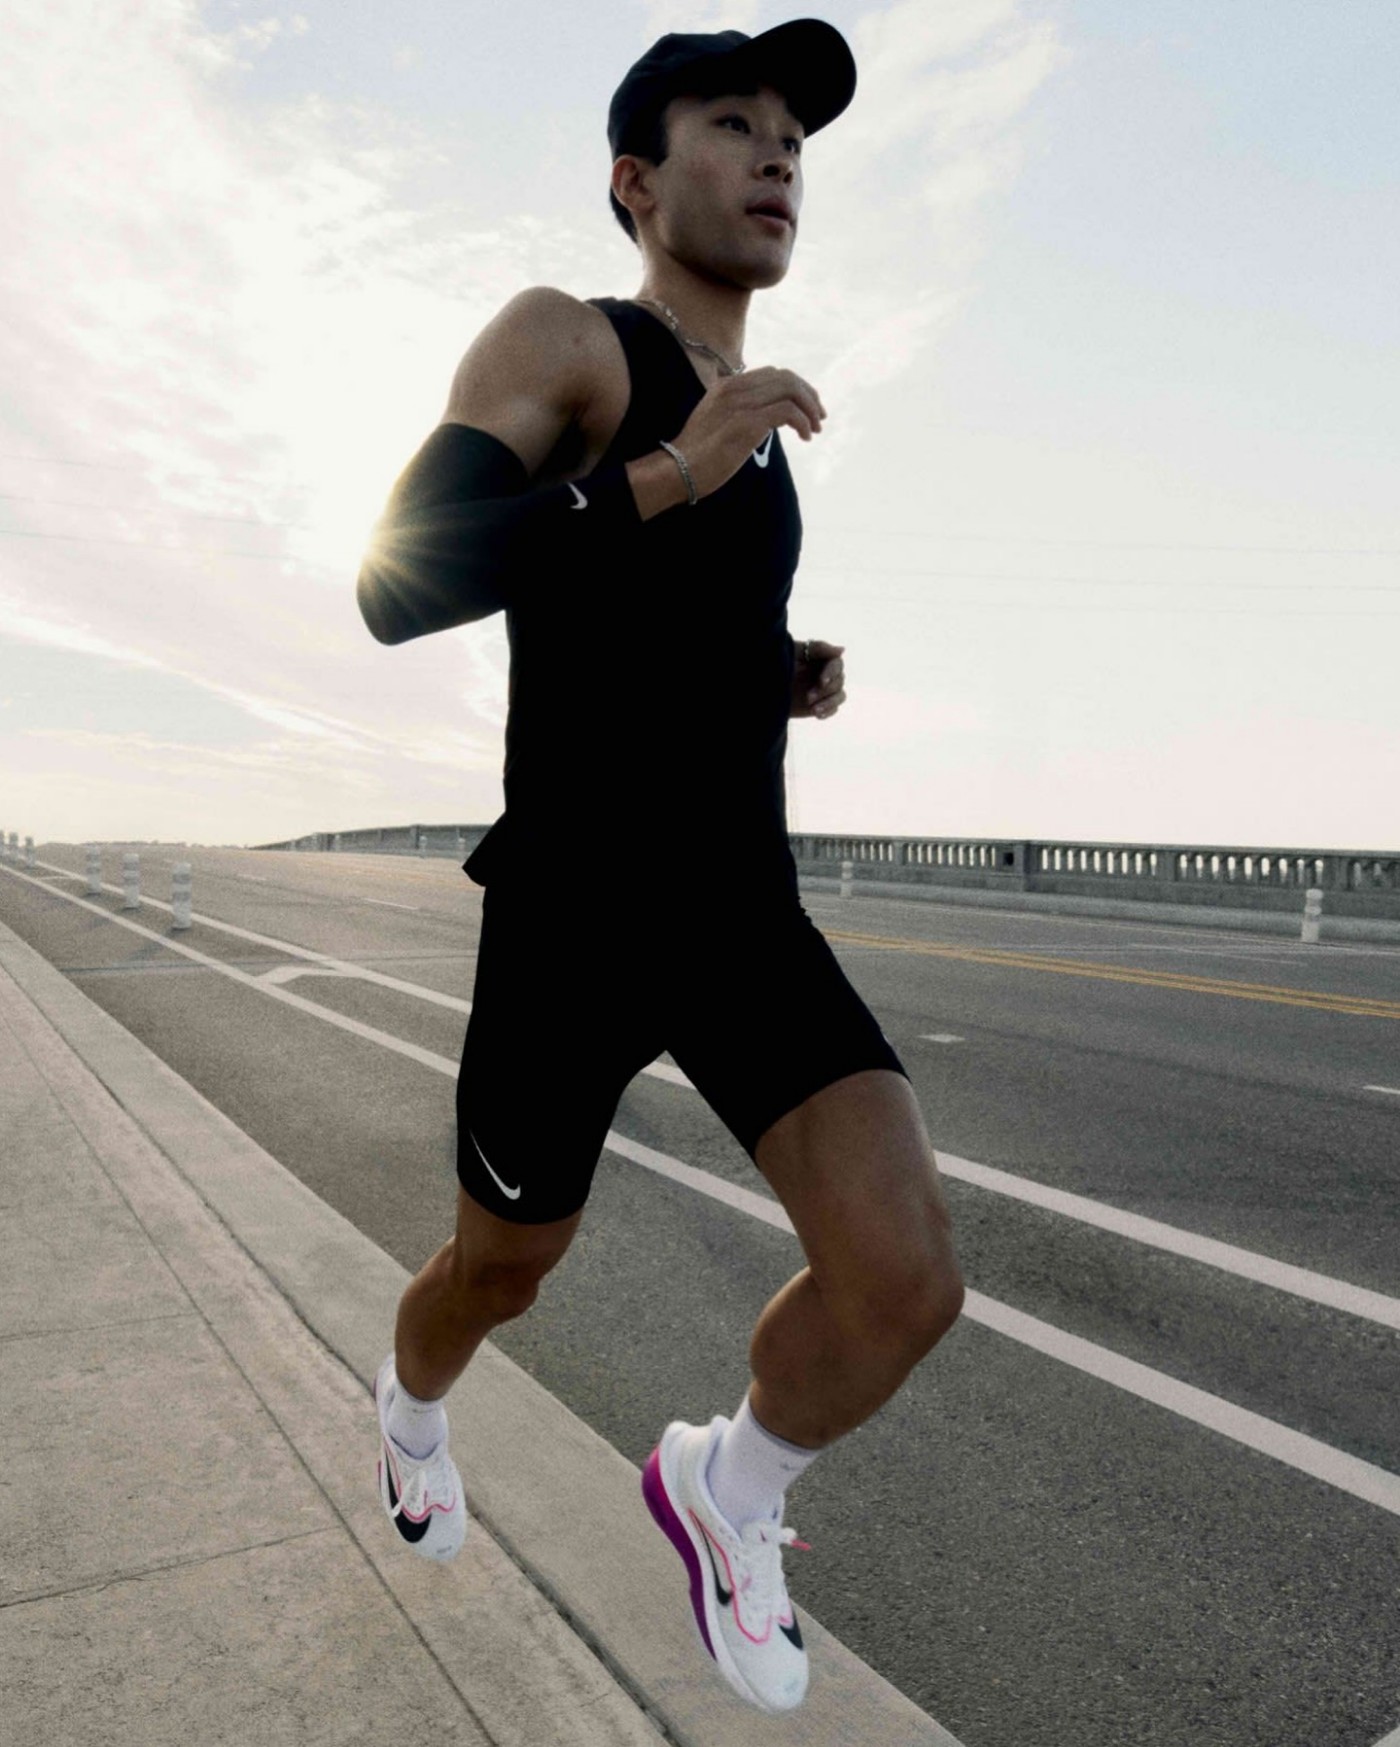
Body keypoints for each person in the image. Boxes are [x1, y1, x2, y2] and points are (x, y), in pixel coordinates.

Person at [355, 19, 964, 1717]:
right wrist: (674, 471)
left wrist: (773, 664)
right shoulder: (571, 341)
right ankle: (409, 1407)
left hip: (737, 910)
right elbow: (399, 581)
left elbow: (644, 616)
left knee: (907, 1275)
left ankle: (727, 1487)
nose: (777, 158)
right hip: (573, 916)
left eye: (795, 140)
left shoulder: (758, 418)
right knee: (502, 1272)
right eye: (734, 124)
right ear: (636, 179)